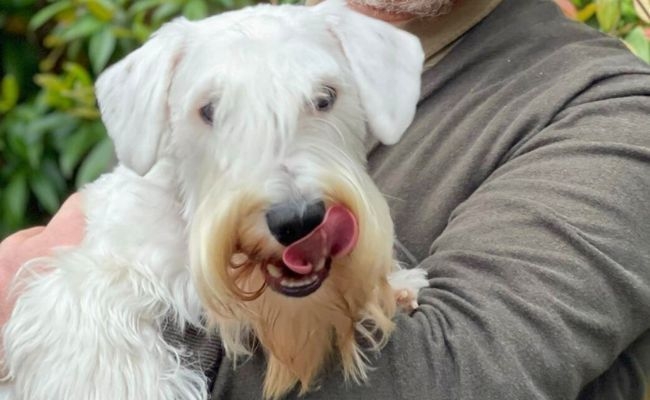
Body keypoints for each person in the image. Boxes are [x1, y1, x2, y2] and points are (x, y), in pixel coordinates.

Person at [2, 0, 650, 398]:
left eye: (323, 102)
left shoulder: (610, 110)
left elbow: (458, 381)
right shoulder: (261, 36)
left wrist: (47, 294)